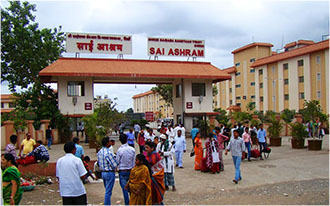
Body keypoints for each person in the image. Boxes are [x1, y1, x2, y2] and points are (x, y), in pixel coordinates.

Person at [97, 137, 118, 205]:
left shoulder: (100, 152)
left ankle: (107, 203)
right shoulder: (108, 153)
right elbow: (114, 164)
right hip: (109, 172)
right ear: (107, 143)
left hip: (103, 172)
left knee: (107, 189)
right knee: (108, 191)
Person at [116, 134, 136, 205]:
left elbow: (117, 161)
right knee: (132, 188)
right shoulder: (132, 149)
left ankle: (127, 203)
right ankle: (133, 201)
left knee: (125, 189)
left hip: (122, 171)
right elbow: (134, 161)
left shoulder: (120, 150)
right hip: (130, 170)